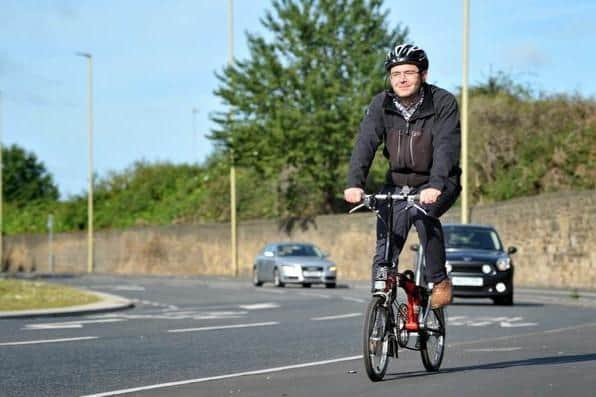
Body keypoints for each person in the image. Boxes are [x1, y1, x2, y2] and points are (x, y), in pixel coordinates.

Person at [344, 44, 461, 309]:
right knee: (386, 241)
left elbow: (446, 146)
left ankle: (439, 280)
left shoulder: (443, 102)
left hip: (439, 181)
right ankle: (381, 307)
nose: (402, 79)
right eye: (396, 74)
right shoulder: (381, 104)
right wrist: (354, 183)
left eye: (409, 72)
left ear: (423, 74)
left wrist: (436, 184)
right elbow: (365, 143)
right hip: (398, 182)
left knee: (423, 214)